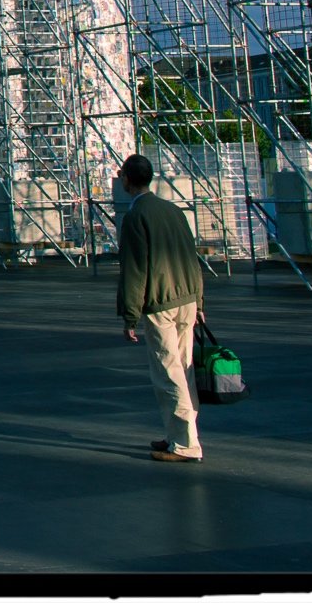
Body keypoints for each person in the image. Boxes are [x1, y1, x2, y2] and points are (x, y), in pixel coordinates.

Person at [116, 153, 206, 463]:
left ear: (127, 179)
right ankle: (179, 435)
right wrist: (200, 300)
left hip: (161, 302)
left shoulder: (135, 217)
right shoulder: (173, 210)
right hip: (187, 298)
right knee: (185, 369)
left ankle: (185, 444)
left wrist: (130, 315)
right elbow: (191, 257)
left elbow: (134, 269)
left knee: (168, 372)